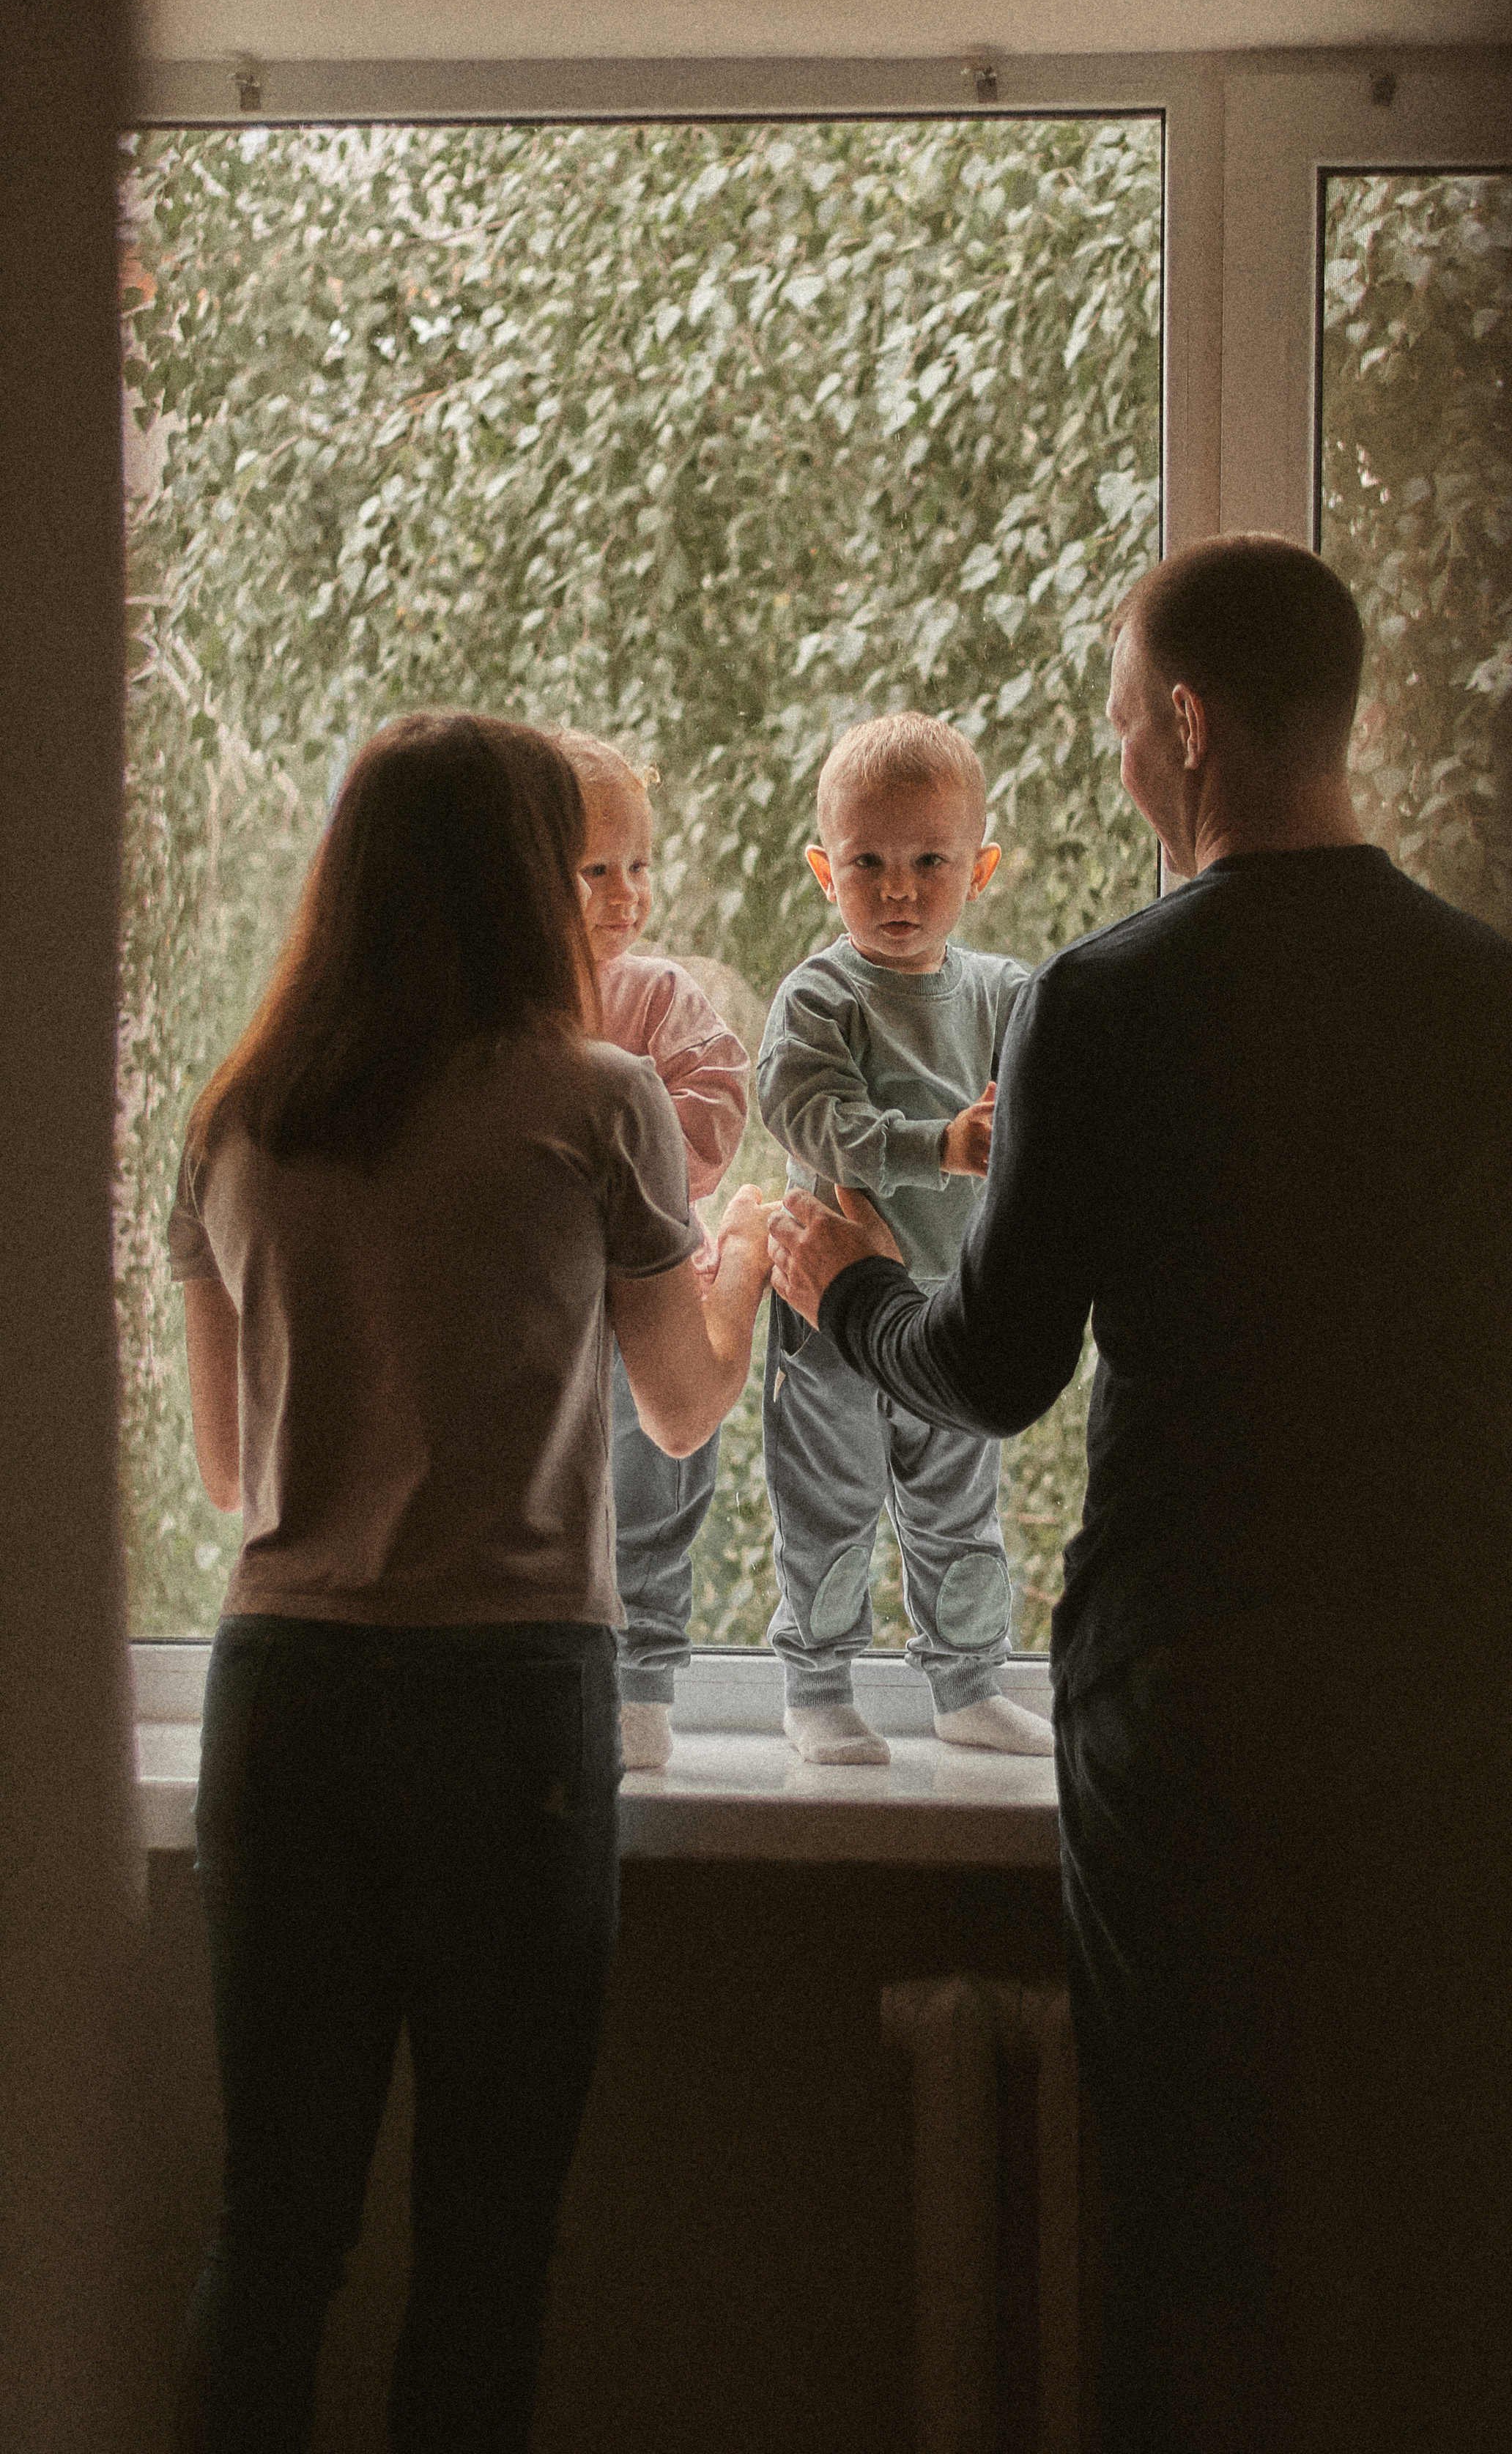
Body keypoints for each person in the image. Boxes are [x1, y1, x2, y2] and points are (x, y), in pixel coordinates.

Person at [768, 537, 1512, 2451]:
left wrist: (844, 1287)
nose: (1122, 750)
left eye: (1126, 714)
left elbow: (991, 1370)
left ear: (1190, 725)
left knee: (1186, 2260)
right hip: (1461, 1680)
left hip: (1193, 1698)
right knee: (1448, 2244)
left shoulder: (1110, 1005)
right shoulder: (1505, 1003)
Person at [166, 711, 773, 2454]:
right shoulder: (597, 1100)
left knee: (274, 2233)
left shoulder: (240, 1119)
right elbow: (679, 1402)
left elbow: (227, 1475)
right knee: (485, 2243)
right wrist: (738, 1262)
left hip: (282, 1691)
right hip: (505, 1708)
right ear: (520, 875)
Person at [757, 711, 1053, 1763]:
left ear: (980, 870)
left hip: (951, 1313)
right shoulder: (819, 997)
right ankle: (817, 1683)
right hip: (827, 1318)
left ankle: (967, 1682)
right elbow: (807, 1117)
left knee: (957, 1510)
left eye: (930, 861)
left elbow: (1051, 1121)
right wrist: (942, 1143)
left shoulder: (1009, 994)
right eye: (867, 862)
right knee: (829, 1507)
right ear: (820, 869)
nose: (898, 888)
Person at [558, 727, 752, 1773]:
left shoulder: (654, 993)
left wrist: (632, 1159)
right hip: (544, 1303)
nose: (625, 893)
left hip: (648, 1291)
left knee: (657, 1493)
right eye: (596, 870)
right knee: (558, 1501)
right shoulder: (504, 1008)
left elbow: (720, 1102)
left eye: (639, 866)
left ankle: (648, 1687)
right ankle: (581, 1676)